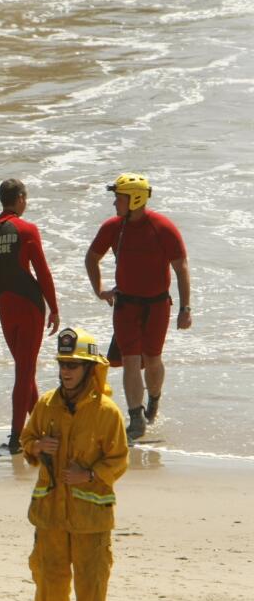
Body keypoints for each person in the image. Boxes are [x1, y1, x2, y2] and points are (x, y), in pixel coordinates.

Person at [20, 328, 128, 601]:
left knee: (91, 584)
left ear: (90, 368)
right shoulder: (46, 404)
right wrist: (36, 447)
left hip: (90, 518)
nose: (66, 370)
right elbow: (26, 439)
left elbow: (119, 459)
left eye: (74, 364)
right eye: (63, 363)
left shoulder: (107, 412)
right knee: (48, 577)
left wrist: (91, 475)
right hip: (50, 513)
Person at [85, 173, 191, 439]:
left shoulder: (162, 227)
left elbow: (181, 268)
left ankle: (153, 398)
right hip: (125, 306)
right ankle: (135, 416)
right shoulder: (113, 227)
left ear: (135, 199)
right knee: (131, 360)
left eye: (118, 198)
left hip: (157, 306)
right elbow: (92, 258)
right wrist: (99, 290)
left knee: (152, 359)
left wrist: (185, 308)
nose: (114, 204)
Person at [0, 179, 59, 454]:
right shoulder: (27, 229)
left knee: (24, 369)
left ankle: (40, 426)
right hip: (29, 305)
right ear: (19, 199)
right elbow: (43, 272)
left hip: (4, 304)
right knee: (24, 371)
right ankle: (17, 437)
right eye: (25, 198)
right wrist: (54, 307)